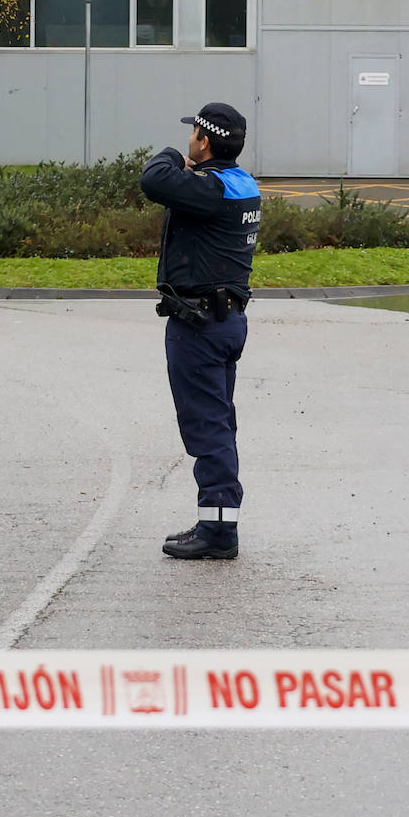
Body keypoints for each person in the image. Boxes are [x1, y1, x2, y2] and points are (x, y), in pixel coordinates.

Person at [139, 102, 260, 560]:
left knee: (207, 426)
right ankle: (217, 521)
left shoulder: (210, 191)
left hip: (199, 325)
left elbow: (154, 178)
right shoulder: (242, 186)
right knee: (219, 423)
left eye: (193, 134)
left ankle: (218, 532)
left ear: (204, 142)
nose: (189, 138)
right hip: (227, 320)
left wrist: (174, 155)